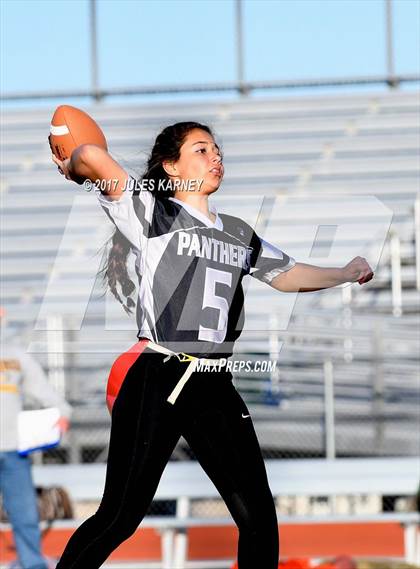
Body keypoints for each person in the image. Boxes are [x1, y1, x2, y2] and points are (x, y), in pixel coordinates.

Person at [51, 121, 373, 568]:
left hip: (214, 382)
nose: (215, 156)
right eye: (201, 149)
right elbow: (90, 154)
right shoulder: (150, 211)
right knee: (122, 515)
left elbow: (287, 275)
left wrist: (345, 272)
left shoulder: (237, 232)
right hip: (161, 374)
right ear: (171, 166)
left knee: (258, 515)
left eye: (217, 149)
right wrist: (73, 164)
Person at [0, 307, 72, 569]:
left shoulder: (15, 356)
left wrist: (63, 412)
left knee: (25, 515)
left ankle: (32, 565)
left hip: (14, 452)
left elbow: (42, 389)